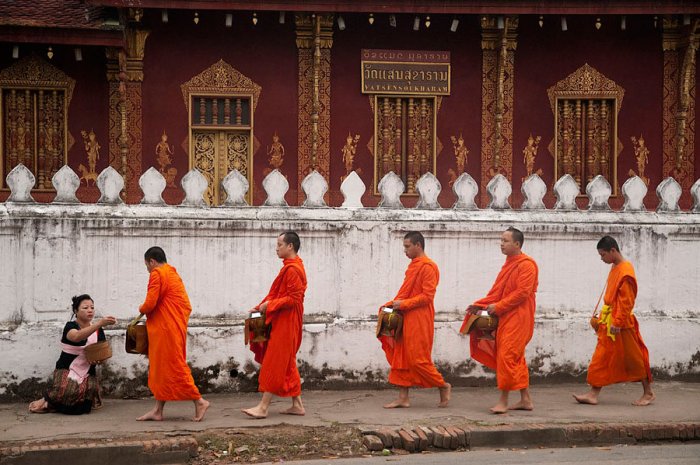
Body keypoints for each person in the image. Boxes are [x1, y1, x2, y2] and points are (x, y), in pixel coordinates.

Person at [461, 227, 538, 414]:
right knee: (515, 357)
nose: (501, 244)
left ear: (517, 244)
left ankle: (503, 401)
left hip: (519, 317)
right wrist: (481, 305)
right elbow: (498, 292)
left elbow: (522, 293)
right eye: (501, 240)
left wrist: (499, 307)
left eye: (505, 241)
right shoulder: (509, 264)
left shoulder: (527, 265)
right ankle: (525, 400)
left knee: (507, 356)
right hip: (506, 316)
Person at [573, 236, 654, 406]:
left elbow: (626, 301)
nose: (602, 259)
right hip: (609, 322)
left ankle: (648, 393)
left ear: (613, 251)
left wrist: (617, 322)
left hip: (621, 325)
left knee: (634, 359)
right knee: (601, 357)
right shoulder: (616, 267)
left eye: (603, 255)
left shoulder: (626, 271)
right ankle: (593, 394)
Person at [378, 231, 451, 409]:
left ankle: (442, 384)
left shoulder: (428, 267)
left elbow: (427, 296)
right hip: (406, 316)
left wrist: (403, 304)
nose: (405, 251)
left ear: (418, 245)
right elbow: (406, 292)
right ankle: (403, 398)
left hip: (420, 317)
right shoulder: (414, 266)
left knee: (418, 358)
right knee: (401, 356)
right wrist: (393, 306)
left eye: (407, 246)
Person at [136, 246, 209, 422]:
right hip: (172, 327)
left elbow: (150, 303)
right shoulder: (172, 273)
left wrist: (141, 309)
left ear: (152, 261)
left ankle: (199, 401)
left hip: (165, 329)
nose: (147, 269)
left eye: (147, 265)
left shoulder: (157, 274)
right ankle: (157, 410)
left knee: (174, 365)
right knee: (162, 368)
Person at [242, 232, 307, 419]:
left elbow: (293, 299)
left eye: (279, 244)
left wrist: (269, 305)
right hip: (284, 318)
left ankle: (263, 407)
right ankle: (297, 405)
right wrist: (260, 307)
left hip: (287, 321)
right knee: (287, 362)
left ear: (290, 247)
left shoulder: (293, 269)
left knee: (275, 361)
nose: (276, 248)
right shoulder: (291, 267)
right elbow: (278, 293)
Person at [28, 295, 116, 414]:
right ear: (76, 311)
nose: (90, 310)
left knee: (83, 406)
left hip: (87, 371)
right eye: (85, 308)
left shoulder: (98, 330)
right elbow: (76, 336)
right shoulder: (70, 326)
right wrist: (98, 324)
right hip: (67, 368)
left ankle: (52, 405)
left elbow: (101, 352)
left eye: (92, 307)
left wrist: (98, 360)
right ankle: (47, 401)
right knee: (68, 390)